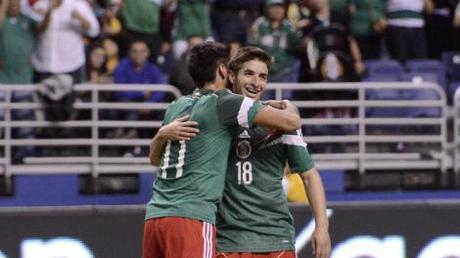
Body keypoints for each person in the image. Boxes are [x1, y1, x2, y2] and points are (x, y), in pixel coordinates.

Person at [143, 41, 302, 258]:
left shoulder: (176, 106)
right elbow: (291, 122)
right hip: (193, 216)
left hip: (155, 216)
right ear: (222, 70)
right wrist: (287, 106)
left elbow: (154, 160)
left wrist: (160, 135)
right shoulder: (226, 102)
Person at [216, 47, 331, 258]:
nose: (256, 82)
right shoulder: (215, 118)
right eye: (248, 73)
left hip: (276, 239)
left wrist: (322, 228)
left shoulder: (282, 122)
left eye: (262, 76)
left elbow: (310, 175)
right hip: (228, 241)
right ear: (231, 75)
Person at [32, 0, 100, 83]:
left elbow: (94, 31)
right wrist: (49, 12)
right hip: (43, 66)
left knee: (71, 95)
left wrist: (82, 19)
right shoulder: (40, 5)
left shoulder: (79, 5)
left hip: (71, 66)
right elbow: (34, 30)